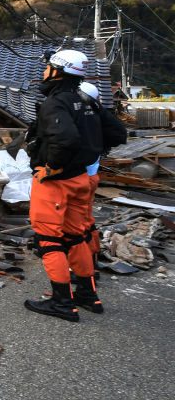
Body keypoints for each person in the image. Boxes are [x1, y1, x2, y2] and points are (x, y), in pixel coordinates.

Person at [24, 49, 103, 322]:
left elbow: (65, 138)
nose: (44, 71)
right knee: (76, 235)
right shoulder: (83, 101)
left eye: (47, 67)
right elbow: (110, 133)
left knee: (48, 238)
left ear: (58, 70)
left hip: (57, 182)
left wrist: (52, 167)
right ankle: (87, 293)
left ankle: (61, 302)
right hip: (81, 178)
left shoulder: (56, 103)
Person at [77, 81, 128, 293]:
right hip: (91, 176)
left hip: (78, 178)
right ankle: (92, 262)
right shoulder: (101, 117)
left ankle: (83, 272)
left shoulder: (84, 119)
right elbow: (119, 135)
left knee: (74, 227)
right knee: (87, 222)